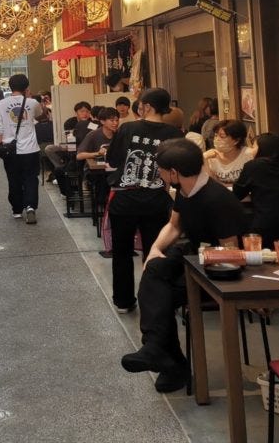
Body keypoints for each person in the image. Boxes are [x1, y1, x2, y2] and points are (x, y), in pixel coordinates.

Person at [120, 138, 245, 392]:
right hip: (194, 255)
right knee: (154, 269)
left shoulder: (217, 199)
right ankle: (157, 350)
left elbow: (231, 252)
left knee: (160, 295)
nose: (159, 174)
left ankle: (169, 361)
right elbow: (174, 225)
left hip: (218, 268)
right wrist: (155, 250)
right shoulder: (186, 190)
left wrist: (199, 263)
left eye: (161, 170)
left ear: (174, 173)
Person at [104, 87, 184, 313]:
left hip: (125, 198)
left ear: (146, 106)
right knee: (155, 251)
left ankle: (123, 301)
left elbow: (113, 159)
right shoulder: (175, 133)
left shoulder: (128, 128)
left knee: (122, 252)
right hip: (156, 200)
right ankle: (155, 300)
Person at [0, 73, 46, 224]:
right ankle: (30, 207)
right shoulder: (32, 103)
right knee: (31, 178)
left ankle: (17, 209)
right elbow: (41, 115)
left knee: (13, 178)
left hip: (10, 149)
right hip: (30, 149)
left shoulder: (0, 104)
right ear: (26, 87)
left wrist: (0, 146)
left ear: (10, 87)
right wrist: (28, 97)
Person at [202, 120, 256, 187]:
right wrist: (204, 158)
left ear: (236, 140)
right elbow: (210, 185)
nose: (217, 139)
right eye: (215, 136)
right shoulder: (210, 157)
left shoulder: (249, 155)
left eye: (222, 136)